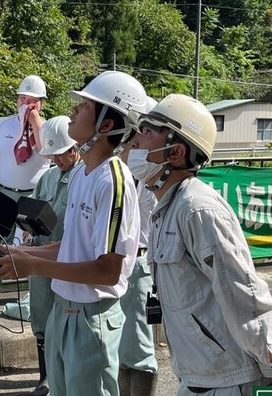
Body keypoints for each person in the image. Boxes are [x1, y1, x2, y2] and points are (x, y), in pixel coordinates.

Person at [0, 70, 146, 396]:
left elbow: (108, 268)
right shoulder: (82, 174)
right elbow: (71, 246)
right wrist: (23, 254)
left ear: (105, 125)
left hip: (92, 316)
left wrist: (33, 265)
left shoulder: (112, 179)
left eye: (85, 105)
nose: (73, 110)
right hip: (65, 309)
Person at [130, 93, 272, 394]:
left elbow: (242, 294)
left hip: (228, 381)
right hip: (196, 377)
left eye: (147, 132)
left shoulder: (198, 209)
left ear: (176, 151)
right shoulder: (166, 208)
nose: (134, 142)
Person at [0, 75, 50, 303]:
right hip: (3, 191)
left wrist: (34, 120)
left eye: (33, 100)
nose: (26, 105)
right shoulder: (2, 124)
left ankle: (34, 296)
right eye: (22, 99)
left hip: (33, 195)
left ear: (42, 103)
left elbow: (45, 149)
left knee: (35, 245)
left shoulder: (47, 129)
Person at [26, 116, 80, 396]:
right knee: (42, 314)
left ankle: (66, 374)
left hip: (70, 258)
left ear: (74, 149)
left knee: (68, 318)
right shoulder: (47, 177)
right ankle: (45, 377)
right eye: (53, 155)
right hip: (42, 255)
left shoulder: (84, 176)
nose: (57, 160)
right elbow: (33, 208)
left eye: (61, 154)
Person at [118, 97, 159, 396]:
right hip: (120, 264)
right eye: (135, 132)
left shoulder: (156, 173)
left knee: (140, 348)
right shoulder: (125, 168)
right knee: (121, 345)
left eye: (143, 131)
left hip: (141, 264)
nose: (136, 139)